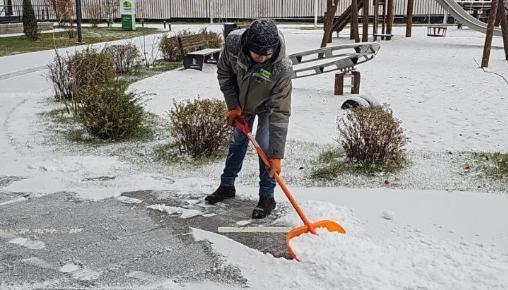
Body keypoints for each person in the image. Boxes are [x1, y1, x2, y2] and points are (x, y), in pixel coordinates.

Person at [205, 18, 293, 219]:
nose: (262, 58)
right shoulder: (234, 44)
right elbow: (225, 74)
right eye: (257, 54)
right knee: (237, 142)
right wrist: (234, 106)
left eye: (266, 55)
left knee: (266, 148)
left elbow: (280, 112)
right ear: (247, 46)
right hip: (242, 104)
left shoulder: (282, 69)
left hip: (268, 107)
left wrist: (277, 155)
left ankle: (267, 197)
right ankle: (227, 185)